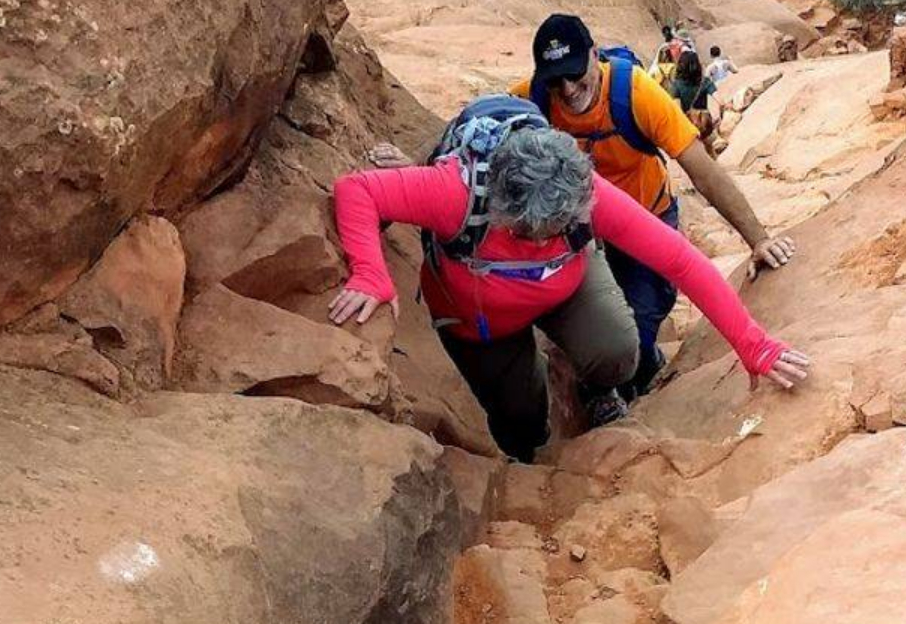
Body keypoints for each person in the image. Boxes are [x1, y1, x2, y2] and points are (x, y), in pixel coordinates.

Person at [329, 124, 811, 463]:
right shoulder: (454, 191)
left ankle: (596, 389)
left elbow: (679, 260)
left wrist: (755, 346)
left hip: (565, 287)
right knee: (519, 418)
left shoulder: (587, 195)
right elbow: (357, 191)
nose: (541, 241)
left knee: (620, 350)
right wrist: (371, 273)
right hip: (479, 317)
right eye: (528, 234)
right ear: (499, 206)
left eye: (555, 229)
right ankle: (531, 440)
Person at [511, 14, 797, 398]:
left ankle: (641, 384)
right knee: (593, 330)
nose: (566, 88)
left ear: (595, 56)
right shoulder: (531, 100)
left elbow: (701, 169)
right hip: (578, 229)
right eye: (554, 78)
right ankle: (613, 391)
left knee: (639, 332)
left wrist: (757, 239)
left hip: (645, 218)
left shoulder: (636, 93)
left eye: (575, 73)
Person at [671, 50, 719, 157]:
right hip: (704, 124)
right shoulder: (705, 81)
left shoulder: (676, 85)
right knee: (710, 152)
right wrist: (718, 118)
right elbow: (720, 101)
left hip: (688, 127)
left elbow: (678, 111)